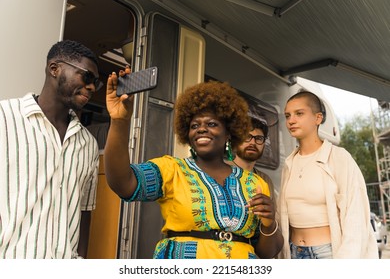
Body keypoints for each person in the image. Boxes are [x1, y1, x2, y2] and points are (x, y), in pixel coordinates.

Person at [104, 73, 283, 259]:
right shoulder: (172, 169)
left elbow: (267, 253)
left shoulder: (254, 182)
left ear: (229, 132)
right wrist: (120, 121)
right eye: (194, 125)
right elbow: (123, 183)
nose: (201, 129)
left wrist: (269, 224)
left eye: (212, 124)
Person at [0, 40, 100, 259]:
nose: (92, 87)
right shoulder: (4, 118)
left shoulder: (89, 145)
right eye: (87, 77)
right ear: (55, 69)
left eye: (96, 83)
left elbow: (84, 212)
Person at [279, 90, 378, 259]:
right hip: (294, 252)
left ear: (318, 118)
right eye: (287, 116)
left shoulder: (339, 158)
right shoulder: (289, 163)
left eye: (299, 114)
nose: (291, 121)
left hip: (328, 253)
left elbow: (356, 215)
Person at [231, 117, 275, 198]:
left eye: (259, 138)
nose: (253, 143)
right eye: (247, 137)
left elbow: (271, 210)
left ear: (264, 144)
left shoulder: (265, 180)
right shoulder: (221, 171)